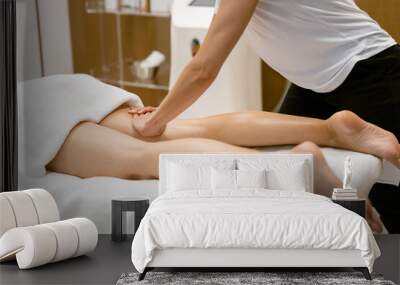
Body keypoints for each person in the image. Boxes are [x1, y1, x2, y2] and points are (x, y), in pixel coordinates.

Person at [128, 0, 400, 232]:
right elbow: (208, 50)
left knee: (394, 208)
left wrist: (156, 121)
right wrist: (163, 114)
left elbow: (204, 69)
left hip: (375, 74)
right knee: (288, 168)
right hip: (318, 84)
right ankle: (347, 198)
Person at [47, 106, 397, 232]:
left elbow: (204, 69)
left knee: (136, 157)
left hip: (36, 109)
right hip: (64, 92)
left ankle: (291, 168)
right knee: (193, 127)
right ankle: (327, 129)